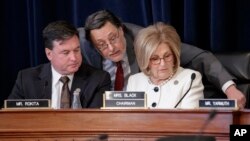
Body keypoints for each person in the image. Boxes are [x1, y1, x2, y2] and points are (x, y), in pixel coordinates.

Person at [83, 10, 246, 109]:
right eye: (102, 45)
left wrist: (230, 89)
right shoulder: (81, 47)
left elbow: (200, 57)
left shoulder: (149, 40)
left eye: (113, 38)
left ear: (121, 29)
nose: (111, 48)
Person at [8, 20, 111, 109]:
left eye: (76, 50)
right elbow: (12, 119)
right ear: (49, 54)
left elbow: (95, 123)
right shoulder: (26, 79)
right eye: (65, 53)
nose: (74, 58)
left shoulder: (98, 80)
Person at [126, 22, 204, 109]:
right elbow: (129, 119)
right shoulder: (135, 81)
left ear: (174, 55)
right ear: (145, 60)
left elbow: (190, 120)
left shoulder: (190, 79)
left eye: (167, 56)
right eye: (155, 59)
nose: (163, 63)